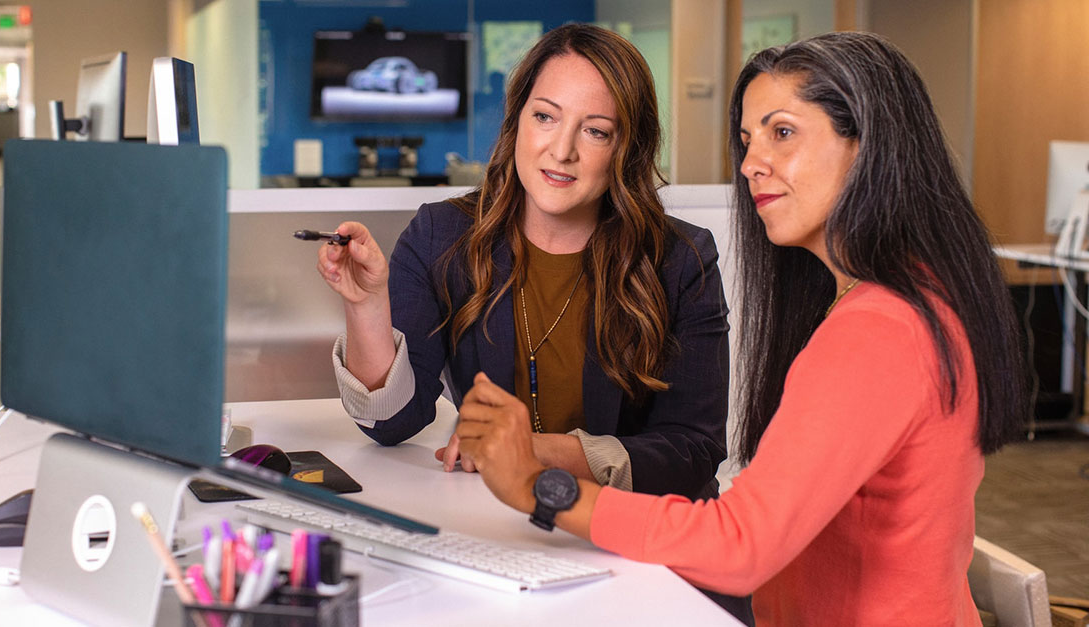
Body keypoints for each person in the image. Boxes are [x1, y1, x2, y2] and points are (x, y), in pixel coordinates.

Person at [455, 31, 1028, 626]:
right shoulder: (916, 294)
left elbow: (741, 547)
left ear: (868, 147)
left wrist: (538, 487)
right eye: (749, 140)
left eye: (783, 133)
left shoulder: (879, 330)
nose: (753, 163)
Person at [316, 24, 751, 622]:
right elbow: (394, 423)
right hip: (505, 545)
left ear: (627, 148)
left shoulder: (680, 257)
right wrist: (365, 304)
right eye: (545, 117)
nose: (561, 150)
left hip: (642, 554)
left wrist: (536, 456)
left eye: (595, 131)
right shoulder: (442, 235)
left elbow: (694, 450)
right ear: (517, 120)